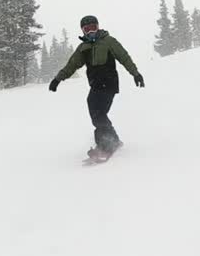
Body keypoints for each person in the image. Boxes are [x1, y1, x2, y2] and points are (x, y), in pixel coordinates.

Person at [49, 15, 145, 158]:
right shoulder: (83, 48)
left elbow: (124, 57)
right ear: (83, 31)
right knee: (97, 112)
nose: (90, 32)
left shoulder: (108, 41)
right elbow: (72, 65)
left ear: (98, 27)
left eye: (93, 28)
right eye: (87, 29)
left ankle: (105, 145)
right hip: (95, 85)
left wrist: (135, 74)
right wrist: (58, 79)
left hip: (109, 83)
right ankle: (114, 140)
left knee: (98, 114)